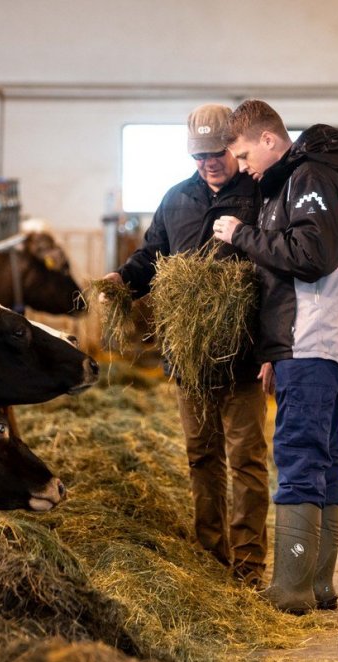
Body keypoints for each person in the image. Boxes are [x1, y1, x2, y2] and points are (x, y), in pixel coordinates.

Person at [100, 104, 269, 587]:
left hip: (242, 354)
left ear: (233, 146)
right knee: (201, 456)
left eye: (216, 153)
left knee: (248, 460)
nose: (209, 163)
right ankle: (210, 554)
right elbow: (152, 256)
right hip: (189, 359)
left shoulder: (259, 194)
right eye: (200, 156)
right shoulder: (177, 200)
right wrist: (121, 280)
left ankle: (249, 564)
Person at [212, 100, 338, 614]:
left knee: (300, 462)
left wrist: (242, 234)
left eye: (242, 153)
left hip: (315, 345)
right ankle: (317, 585)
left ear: (268, 140)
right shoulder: (305, 180)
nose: (241, 165)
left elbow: (310, 256)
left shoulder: (308, 179)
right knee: (325, 464)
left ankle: (291, 589)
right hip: (315, 347)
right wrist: (275, 350)